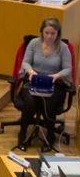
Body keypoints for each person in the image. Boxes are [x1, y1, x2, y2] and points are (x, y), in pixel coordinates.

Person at [17, 17, 73, 149]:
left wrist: (56, 75)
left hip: (54, 83)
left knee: (49, 101)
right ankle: (22, 133)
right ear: (42, 32)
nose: (49, 36)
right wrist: (31, 72)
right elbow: (25, 62)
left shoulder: (63, 48)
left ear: (58, 33)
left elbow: (68, 68)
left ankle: (50, 137)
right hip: (34, 80)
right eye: (46, 33)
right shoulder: (34, 43)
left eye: (53, 33)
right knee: (30, 101)